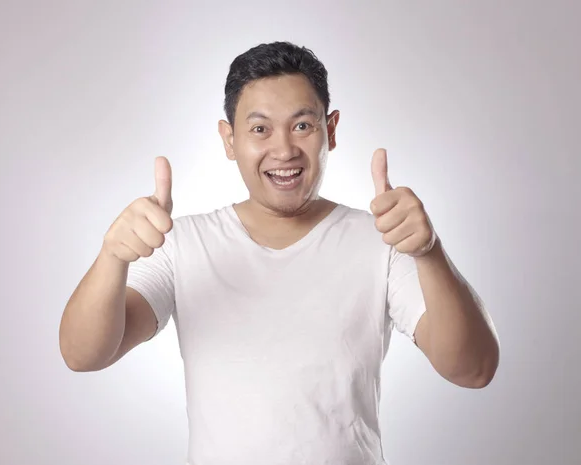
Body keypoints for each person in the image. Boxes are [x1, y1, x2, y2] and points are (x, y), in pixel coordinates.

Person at [59, 41, 500, 465]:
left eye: (302, 125)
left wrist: (429, 252)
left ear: (330, 130)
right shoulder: (182, 243)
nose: (285, 149)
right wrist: (112, 258)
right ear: (229, 140)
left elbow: (473, 369)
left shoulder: (385, 240)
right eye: (260, 129)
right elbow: (84, 355)